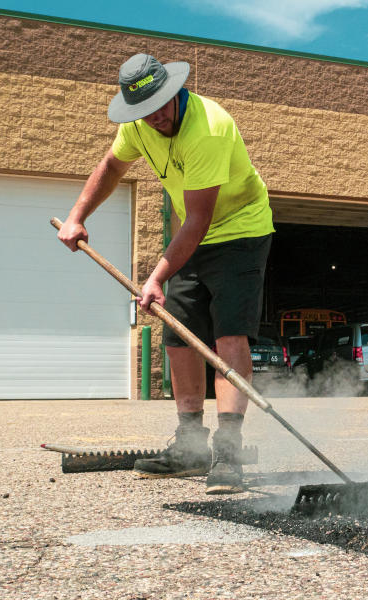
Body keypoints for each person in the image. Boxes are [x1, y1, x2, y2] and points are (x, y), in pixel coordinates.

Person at [58, 53, 274, 495]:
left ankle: (228, 449)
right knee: (178, 337)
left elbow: (197, 219)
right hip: (192, 237)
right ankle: (191, 446)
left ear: (175, 91)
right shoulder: (138, 124)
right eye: (143, 109)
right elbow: (112, 168)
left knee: (228, 336)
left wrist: (155, 276)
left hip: (240, 232)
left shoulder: (209, 128)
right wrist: (76, 216)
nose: (154, 117)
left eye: (160, 104)